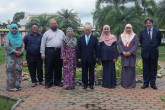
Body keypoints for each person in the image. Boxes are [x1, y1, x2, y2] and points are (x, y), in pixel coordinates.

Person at [40, 19, 65, 88]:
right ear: (50, 25)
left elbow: (64, 43)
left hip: (59, 51)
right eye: (53, 23)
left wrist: (64, 53)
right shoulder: (46, 33)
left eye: (55, 23)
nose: (54, 24)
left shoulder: (61, 32)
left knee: (58, 67)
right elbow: (43, 44)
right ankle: (48, 83)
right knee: (48, 67)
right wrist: (42, 53)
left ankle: (58, 82)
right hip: (49, 51)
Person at [140, 17, 162, 90]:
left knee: (153, 68)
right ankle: (145, 83)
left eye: (150, 23)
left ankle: (153, 84)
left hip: (154, 53)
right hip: (145, 53)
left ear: (152, 23)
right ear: (145, 24)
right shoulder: (142, 32)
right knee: (145, 69)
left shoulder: (157, 31)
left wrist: (153, 46)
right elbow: (141, 41)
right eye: (147, 23)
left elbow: (159, 42)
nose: (148, 24)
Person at [4, 24, 24, 92]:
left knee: (18, 71)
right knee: (11, 71)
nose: (14, 30)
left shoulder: (20, 37)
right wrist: (15, 51)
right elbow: (6, 46)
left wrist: (21, 52)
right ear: (10, 29)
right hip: (11, 58)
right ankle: (11, 87)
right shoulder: (7, 36)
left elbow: (22, 45)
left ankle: (17, 86)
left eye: (16, 28)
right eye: (13, 28)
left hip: (19, 57)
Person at [24, 23, 45, 87]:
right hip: (30, 55)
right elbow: (24, 44)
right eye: (33, 27)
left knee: (39, 68)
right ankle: (34, 81)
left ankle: (41, 80)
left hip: (39, 55)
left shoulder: (41, 36)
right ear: (31, 28)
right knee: (31, 68)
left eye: (36, 27)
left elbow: (43, 44)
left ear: (38, 28)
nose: (35, 28)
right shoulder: (27, 36)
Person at [78, 25, 98, 90]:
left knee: (92, 72)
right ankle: (85, 84)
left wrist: (97, 57)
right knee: (84, 72)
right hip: (83, 58)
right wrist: (79, 57)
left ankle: (91, 84)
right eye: (86, 30)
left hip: (91, 58)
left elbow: (97, 48)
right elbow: (79, 49)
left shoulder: (94, 38)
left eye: (88, 30)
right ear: (84, 30)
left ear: (90, 30)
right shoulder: (81, 38)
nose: (87, 31)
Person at [119, 24, 139, 89]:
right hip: (124, 55)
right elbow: (120, 44)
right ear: (125, 28)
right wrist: (123, 52)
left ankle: (131, 84)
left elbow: (136, 44)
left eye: (129, 28)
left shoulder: (134, 36)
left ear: (131, 28)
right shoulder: (121, 36)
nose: (128, 29)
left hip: (131, 55)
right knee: (125, 69)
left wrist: (130, 52)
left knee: (131, 68)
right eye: (127, 28)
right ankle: (124, 84)